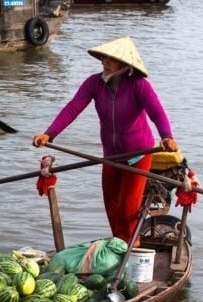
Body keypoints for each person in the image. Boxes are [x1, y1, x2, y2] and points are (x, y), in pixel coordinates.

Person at [32, 36, 179, 245]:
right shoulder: (94, 83)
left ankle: (130, 247)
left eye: (110, 59)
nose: (104, 62)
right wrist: (50, 134)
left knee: (128, 207)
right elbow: (73, 108)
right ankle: (121, 243)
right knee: (111, 204)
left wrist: (166, 136)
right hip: (111, 155)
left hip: (138, 154)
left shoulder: (139, 85)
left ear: (124, 64)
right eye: (103, 58)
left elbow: (156, 111)